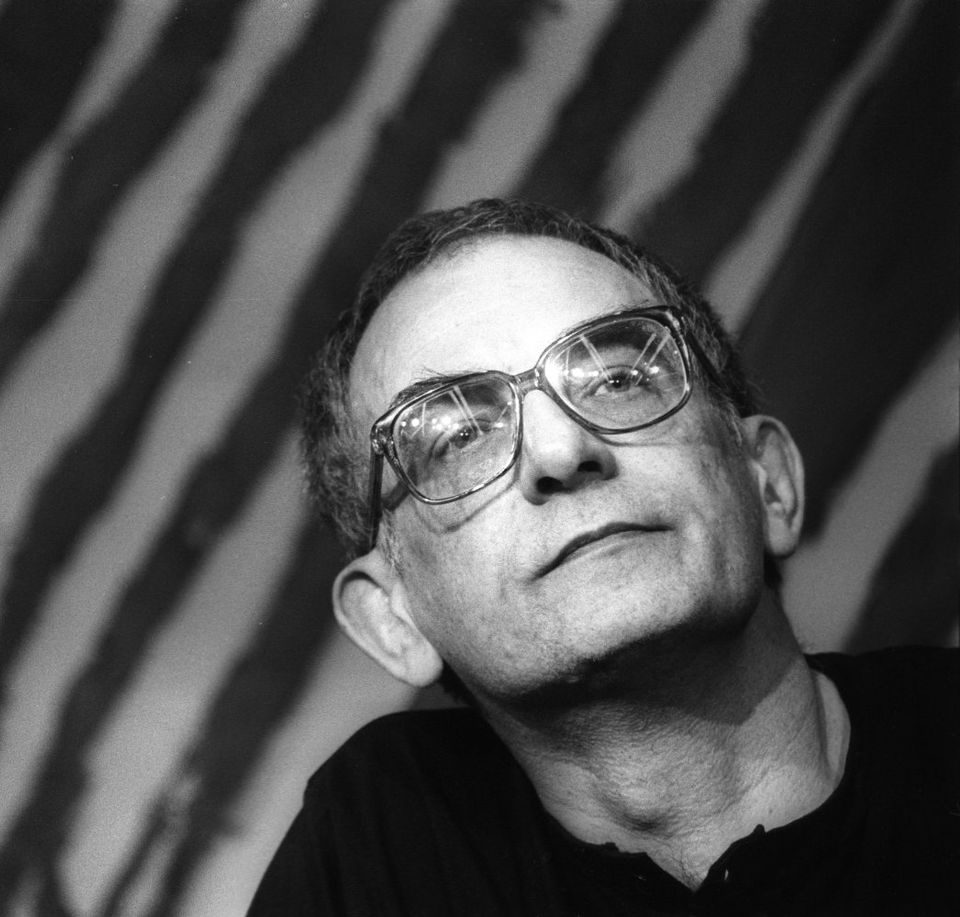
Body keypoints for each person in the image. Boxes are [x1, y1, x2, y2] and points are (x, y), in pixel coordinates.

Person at [249, 198, 958, 915]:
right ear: (393, 621)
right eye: (460, 437)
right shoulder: (375, 848)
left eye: (619, 381)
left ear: (767, 483)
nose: (562, 450)